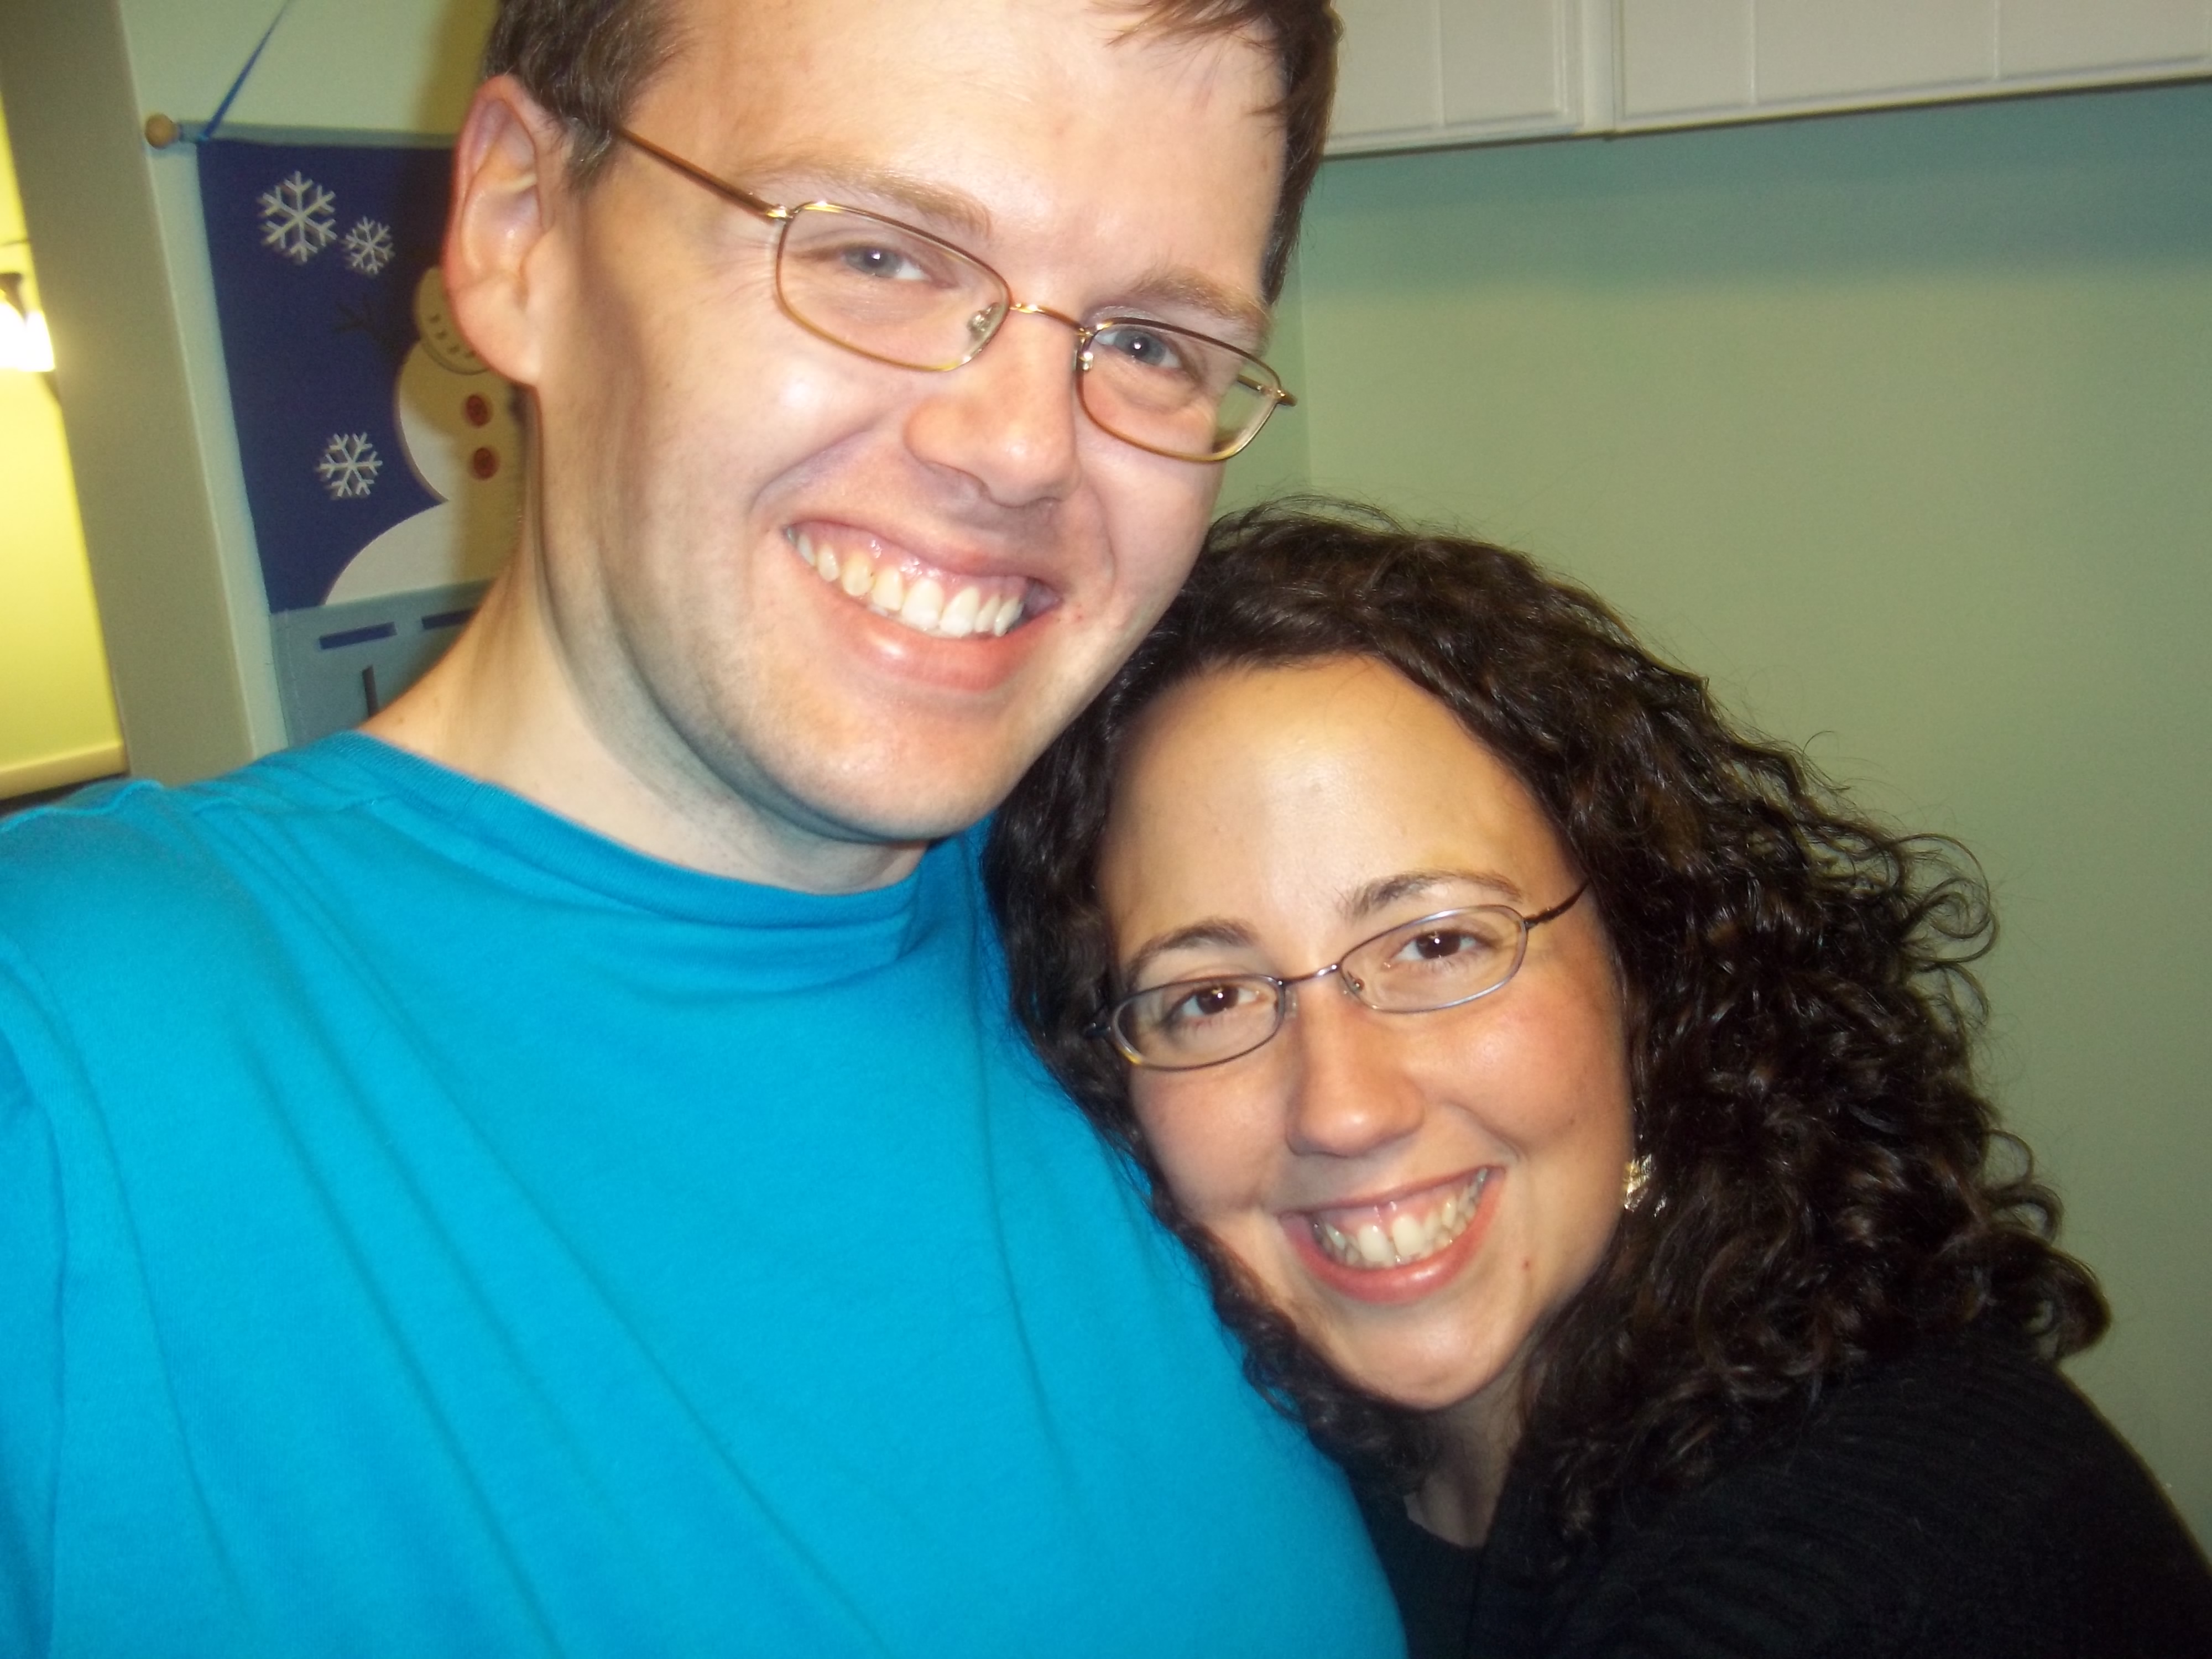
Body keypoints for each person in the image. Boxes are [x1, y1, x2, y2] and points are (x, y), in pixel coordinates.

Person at [0, 5, 1408, 1654]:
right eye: (877, 255)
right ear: (519, 227)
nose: (1025, 449)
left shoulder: (1187, 959)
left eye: (1154, 343)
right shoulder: (68, 1060)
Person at [987, 502, 2212, 1658]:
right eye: (1209, 997)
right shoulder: (1289, 1476)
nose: (1343, 1109)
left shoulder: (1867, 1563)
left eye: (1438, 943)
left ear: (1645, 966)